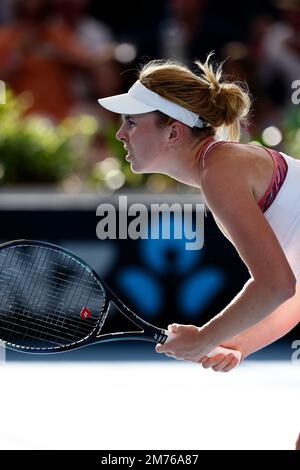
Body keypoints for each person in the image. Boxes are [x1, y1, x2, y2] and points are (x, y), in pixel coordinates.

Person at [98, 53, 300, 449]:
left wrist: (206, 337)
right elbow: (294, 291)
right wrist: (239, 343)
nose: (121, 134)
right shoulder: (224, 167)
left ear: (173, 132)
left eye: (132, 122)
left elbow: (277, 285)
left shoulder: (220, 170)